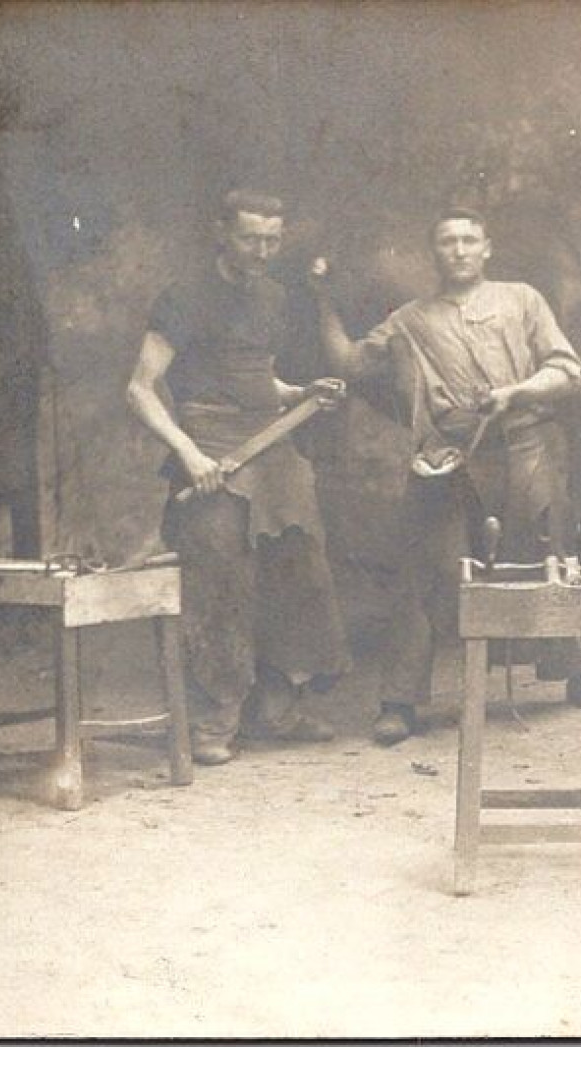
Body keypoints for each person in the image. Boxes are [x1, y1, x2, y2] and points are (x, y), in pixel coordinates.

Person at [319, 208, 581, 746]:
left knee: (547, 560)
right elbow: (351, 364)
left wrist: (516, 393)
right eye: (447, 241)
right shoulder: (410, 319)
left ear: (487, 248)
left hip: (523, 447)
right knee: (424, 570)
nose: (458, 250)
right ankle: (399, 702)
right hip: (448, 459)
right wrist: (320, 301)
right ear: (434, 253)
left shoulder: (522, 300)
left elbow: (566, 370)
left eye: (468, 240)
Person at [127, 189, 351, 766]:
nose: (263, 250)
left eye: (273, 239)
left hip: (272, 449)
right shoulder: (184, 298)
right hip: (211, 451)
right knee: (220, 579)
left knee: (298, 568)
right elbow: (140, 388)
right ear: (221, 232)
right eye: (252, 238)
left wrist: (302, 393)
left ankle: (277, 707)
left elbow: (258, 379)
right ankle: (213, 720)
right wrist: (189, 454)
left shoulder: (273, 296)